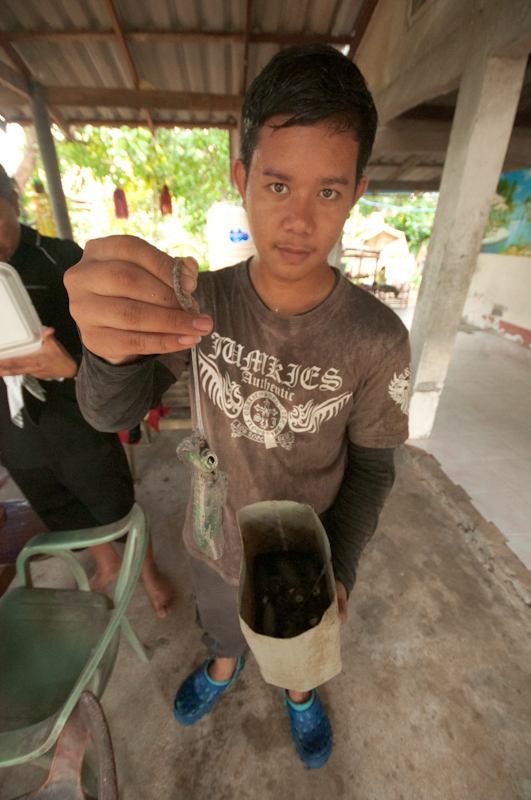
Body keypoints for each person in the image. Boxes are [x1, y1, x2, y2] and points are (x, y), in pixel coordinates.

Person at [65, 45, 410, 768]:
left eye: (327, 192)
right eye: (278, 184)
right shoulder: (198, 304)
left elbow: (373, 469)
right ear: (241, 176)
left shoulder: (377, 339)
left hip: (305, 555)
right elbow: (109, 414)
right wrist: (107, 347)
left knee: (301, 653)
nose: (298, 219)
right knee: (223, 626)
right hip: (214, 535)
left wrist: (338, 567)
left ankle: (300, 696)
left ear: (355, 194)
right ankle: (223, 669)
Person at [0, 165, 174, 618]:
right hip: (10, 421)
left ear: (13, 203)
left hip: (74, 409)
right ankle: (108, 563)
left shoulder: (63, 260)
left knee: (112, 500)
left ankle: (150, 574)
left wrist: (71, 365)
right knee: (53, 502)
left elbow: (111, 349)